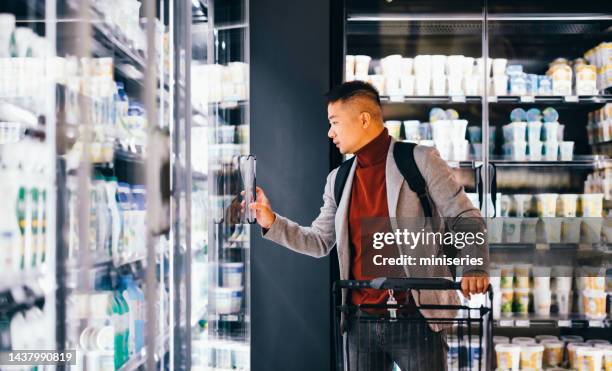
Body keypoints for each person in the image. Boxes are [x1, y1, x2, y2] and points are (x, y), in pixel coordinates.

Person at [248, 81, 489, 370]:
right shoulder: (338, 179)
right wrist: (271, 221)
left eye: (335, 122)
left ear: (364, 119)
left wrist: (474, 267)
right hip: (360, 322)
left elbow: (464, 216)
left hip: (418, 318)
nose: (330, 132)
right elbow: (319, 241)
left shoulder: (420, 160)